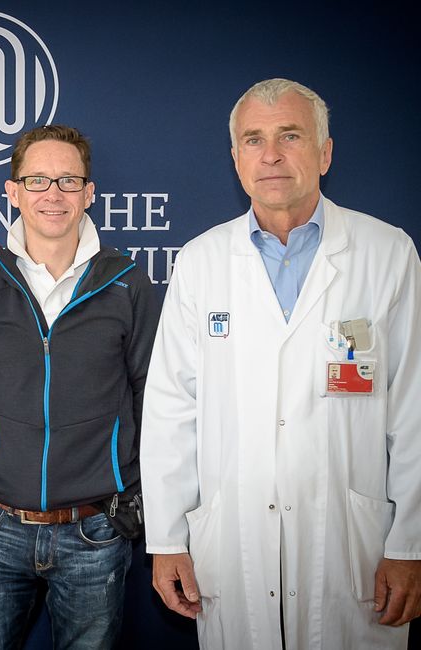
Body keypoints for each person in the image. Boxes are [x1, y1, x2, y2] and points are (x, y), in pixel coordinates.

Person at [141, 78, 421, 648]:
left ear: (325, 152)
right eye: (253, 139)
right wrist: (166, 539)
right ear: (236, 158)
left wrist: (410, 544)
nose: (270, 154)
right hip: (233, 542)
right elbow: (171, 409)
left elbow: (414, 408)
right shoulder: (201, 262)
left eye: (290, 136)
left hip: (353, 545)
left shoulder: (387, 254)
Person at [0, 124, 159, 649]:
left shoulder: (127, 283)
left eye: (68, 180)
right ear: (13, 191)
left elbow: (148, 393)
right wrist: (5, 457)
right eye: (37, 180)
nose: (53, 194)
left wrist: (122, 479)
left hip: (95, 531)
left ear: (89, 193)